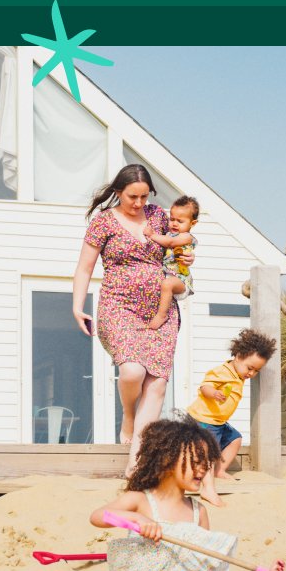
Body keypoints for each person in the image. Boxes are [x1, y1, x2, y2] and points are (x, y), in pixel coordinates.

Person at [72, 164, 194, 477]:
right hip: (119, 305)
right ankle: (128, 415)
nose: (139, 203)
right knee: (132, 371)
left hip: (160, 312)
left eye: (144, 196)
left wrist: (189, 254)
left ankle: (136, 459)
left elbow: (182, 240)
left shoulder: (158, 216)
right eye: (132, 197)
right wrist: (77, 305)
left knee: (156, 384)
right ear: (118, 192)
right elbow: (85, 268)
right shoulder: (103, 223)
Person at [89, 417, 239, 571]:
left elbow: (202, 563)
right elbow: (98, 517)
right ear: (168, 460)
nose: (203, 469)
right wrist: (136, 518)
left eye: (206, 462)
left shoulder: (198, 511)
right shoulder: (140, 500)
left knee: (197, 553)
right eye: (196, 461)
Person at [186, 329, 277, 497]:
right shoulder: (223, 371)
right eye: (250, 368)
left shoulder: (239, 376)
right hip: (203, 420)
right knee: (208, 450)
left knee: (235, 439)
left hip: (219, 422)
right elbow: (205, 386)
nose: (251, 373)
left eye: (256, 371)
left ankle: (219, 470)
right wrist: (213, 393)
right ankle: (204, 482)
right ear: (238, 355)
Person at [144, 195, 200, 330]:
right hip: (170, 276)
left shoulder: (186, 237)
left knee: (167, 284)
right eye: (172, 219)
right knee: (165, 284)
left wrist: (152, 235)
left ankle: (162, 315)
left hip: (181, 279)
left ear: (192, 224)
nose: (174, 224)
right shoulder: (169, 234)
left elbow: (170, 243)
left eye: (180, 221)